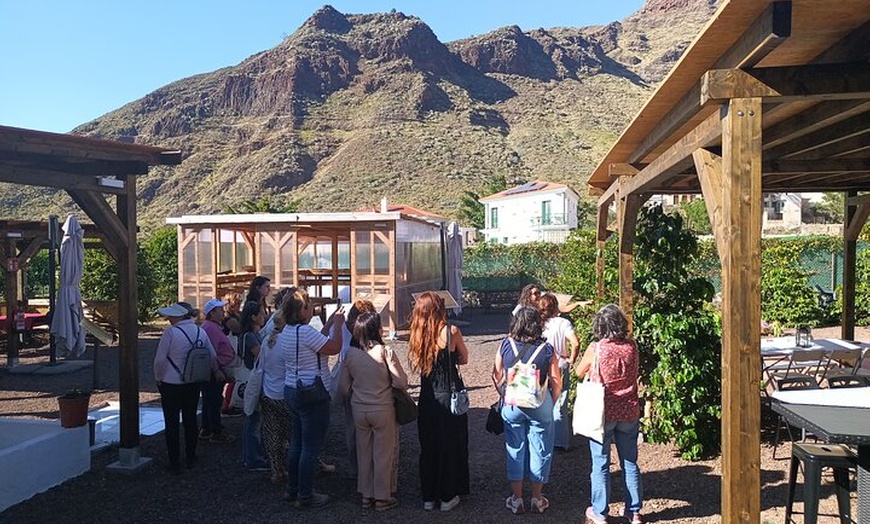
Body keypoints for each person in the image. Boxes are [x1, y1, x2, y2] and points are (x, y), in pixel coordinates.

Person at [575, 304, 643, 524]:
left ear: (600, 325)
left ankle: (600, 512)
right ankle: (634, 511)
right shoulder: (632, 346)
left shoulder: (596, 348)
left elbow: (578, 372)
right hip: (629, 408)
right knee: (630, 462)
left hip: (602, 412)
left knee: (601, 464)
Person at [278, 288, 344, 509]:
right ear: (302, 310)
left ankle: (292, 488)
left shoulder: (287, 331)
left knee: (297, 442)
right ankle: (306, 495)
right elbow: (334, 347)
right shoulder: (305, 333)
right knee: (311, 447)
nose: (313, 308)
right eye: (309, 305)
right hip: (313, 392)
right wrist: (338, 325)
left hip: (291, 389)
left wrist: (328, 324)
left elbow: (317, 342)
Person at [492, 306, 561, 514]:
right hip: (539, 403)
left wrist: (503, 393)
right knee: (541, 448)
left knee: (515, 447)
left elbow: (496, 374)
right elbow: (556, 380)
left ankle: (517, 498)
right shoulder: (547, 349)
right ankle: (537, 498)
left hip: (513, 403)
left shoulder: (506, 344)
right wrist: (551, 401)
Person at [408, 291, 470, 512]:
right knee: (450, 445)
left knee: (429, 446)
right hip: (447, 396)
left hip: (427, 397)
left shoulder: (416, 334)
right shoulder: (451, 331)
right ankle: (447, 495)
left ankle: (429, 496)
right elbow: (464, 358)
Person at [340, 312, 408, 511]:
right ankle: (382, 497)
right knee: (383, 454)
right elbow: (400, 382)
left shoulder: (350, 355)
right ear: (377, 329)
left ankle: (365, 494)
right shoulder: (385, 352)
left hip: (359, 408)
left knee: (363, 452)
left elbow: (343, 387)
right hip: (382, 407)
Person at [153, 302, 219, 474]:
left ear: (178, 316)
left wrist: (158, 378)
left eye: (171, 315)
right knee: (190, 420)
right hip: (193, 381)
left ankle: (174, 461)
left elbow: (160, 360)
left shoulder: (170, 333)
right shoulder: (200, 331)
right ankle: (191, 455)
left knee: (172, 422)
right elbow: (212, 356)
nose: (168, 318)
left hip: (170, 383)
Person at [538, 293, 580, 451]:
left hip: (541, 365)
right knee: (560, 403)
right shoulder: (563, 323)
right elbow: (575, 343)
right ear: (556, 307)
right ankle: (561, 441)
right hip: (560, 364)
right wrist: (572, 359)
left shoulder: (537, 323)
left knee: (540, 401)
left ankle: (543, 438)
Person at [199, 298, 238, 444]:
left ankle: (207, 429)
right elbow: (211, 352)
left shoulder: (211, 326)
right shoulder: (211, 328)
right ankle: (216, 431)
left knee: (209, 399)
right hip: (215, 369)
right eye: (220, 310)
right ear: (212, 313)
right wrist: (217, 370)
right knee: (214, 400)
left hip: (214, 368)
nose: (223, 312)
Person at [239, 299, 269, 471]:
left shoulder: (251, 335)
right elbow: (261, 358)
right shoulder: (251, 337)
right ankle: (253, 458)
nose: (264, 316)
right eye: (262, 314)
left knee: (252, 419)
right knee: (253, 420)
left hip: (251, 378)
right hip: (253, 380)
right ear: (253, 317)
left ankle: (249, 456)